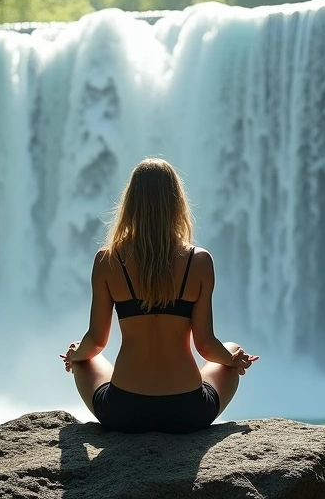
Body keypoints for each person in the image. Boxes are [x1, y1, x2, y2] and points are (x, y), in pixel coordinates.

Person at [60, 158, 258, 434]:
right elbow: (205, 345)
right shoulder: (198, 261)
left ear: (130, 204)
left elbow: (96, 342)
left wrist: (74, 355)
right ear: (177, 203)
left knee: (83, 356)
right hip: (188, 412)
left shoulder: (107, 260)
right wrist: (233, 360)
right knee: (232, 349)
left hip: (122, 411)